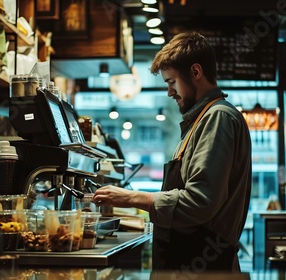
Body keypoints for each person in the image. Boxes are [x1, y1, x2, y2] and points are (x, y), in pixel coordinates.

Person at [92, 31, 252, 272]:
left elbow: (199, 202)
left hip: (204, 268)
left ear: (196, 72)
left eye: (171, 82)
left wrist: (131, 198)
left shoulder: (217, 117)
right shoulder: (199, 121)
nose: (169, 92)